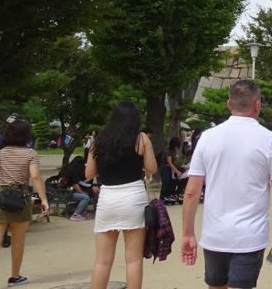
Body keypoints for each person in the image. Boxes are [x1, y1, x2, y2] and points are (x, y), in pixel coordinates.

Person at [181, 80, 272, 289]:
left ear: (228, 104)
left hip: (215, 233)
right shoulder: (270, 139)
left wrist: (188, 233)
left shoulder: (207, 137)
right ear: (257, 105)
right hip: (249, 235)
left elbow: (191, 192)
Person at [85, 102, 157, 289]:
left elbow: (88, 174)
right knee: (133, 260)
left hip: (108, 197)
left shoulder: (99, 140)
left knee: (102, 261)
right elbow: (152, 168)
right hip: (133, 197)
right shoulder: (141, 139)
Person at [0, 120, 49, 289]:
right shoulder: (30, 154)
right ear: (27, 135)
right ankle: (14, 276)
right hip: (20, 198)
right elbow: (35, 177)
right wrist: (43, 199)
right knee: (18, 240)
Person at [66, 156, 98, 221]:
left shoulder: (71, 170)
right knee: (85, 197)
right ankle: (76, 214)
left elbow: (79, 182)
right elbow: (75, 185)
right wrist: (82, 192)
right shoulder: (73, 172)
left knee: (86, 194)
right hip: (67, 193)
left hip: (68, 192)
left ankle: (83, 212)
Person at [160, 138, 187, 204]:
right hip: (165, 168)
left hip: (169, 168)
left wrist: (180, 166)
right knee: (166, 183)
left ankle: (167, 197)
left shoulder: (173, 150)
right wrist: (177, 171)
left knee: (170, 183)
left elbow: (174, 161)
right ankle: (162, 198)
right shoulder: (168, 150)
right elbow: (169, 162)